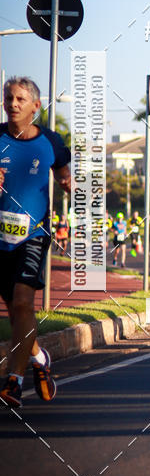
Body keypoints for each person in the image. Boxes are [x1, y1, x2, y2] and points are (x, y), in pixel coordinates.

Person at [0, 77, 70, 409]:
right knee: (16, 316)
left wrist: (71, 184)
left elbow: (66, 176)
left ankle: (14, 383)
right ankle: (40, 359)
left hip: (32, 236)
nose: (13, 104)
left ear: (35, 106)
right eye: (8, 98)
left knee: (24, 303)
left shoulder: (51, 142)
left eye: (20, 99)